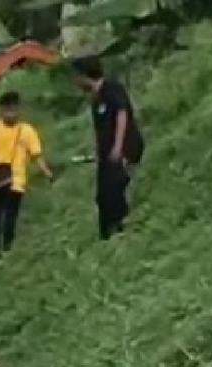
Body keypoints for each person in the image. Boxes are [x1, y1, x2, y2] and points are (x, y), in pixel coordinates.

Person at [74, 57, 145, 240]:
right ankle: (107, 234)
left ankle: (122, 228)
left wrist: (118, 147)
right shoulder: (95, 98)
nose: (75, 81)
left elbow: (122, 115)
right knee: (102, 196)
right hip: (106, 154)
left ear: (85, 75)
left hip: (122, 148)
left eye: (77, 76)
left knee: (115, 190)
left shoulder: (112, 90)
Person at [0, 91, 53, 259]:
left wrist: (47, 172)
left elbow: (36, 155)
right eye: (7, 109)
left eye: (13, 109)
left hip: (16, 180)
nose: (10, 113)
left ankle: (6, 247)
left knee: (9, 216)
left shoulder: (27, 131)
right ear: (1, 110)